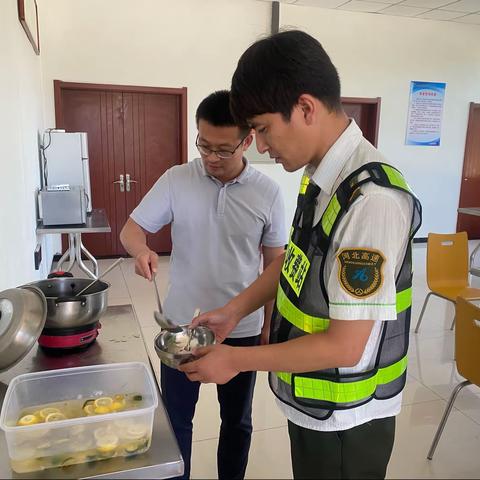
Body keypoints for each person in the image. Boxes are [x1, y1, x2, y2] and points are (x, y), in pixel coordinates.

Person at [180, 31, 422, 479]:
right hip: (314, 401)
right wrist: (234, 312)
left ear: (306, 108)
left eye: (264, 129)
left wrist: (235, 359)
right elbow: (295, 260)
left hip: (347, 418)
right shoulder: (322, 177)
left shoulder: (372, 201)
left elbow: (345, 346)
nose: (264, 146)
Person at [119, 89, 286, 480]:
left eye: (223, 150)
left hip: (240, 331)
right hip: (181, 328)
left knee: (238, 422)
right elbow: (131, 230)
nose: (210, 157)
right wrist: (140, 249)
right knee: (176, 422)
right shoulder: (177, 179)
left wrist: (266, 326)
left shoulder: (268, 192)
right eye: (203, 145)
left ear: (248, 141)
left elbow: (273, 264)